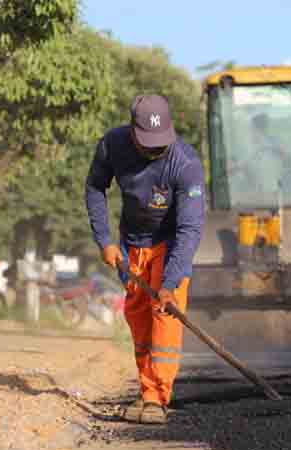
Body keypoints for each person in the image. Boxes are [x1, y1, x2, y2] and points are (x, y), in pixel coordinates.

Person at [85, 95, 206, 424]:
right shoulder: (112, 145)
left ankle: (156, 397)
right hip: (131, 244)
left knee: (164, 317)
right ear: (133, 132)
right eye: (148, 144)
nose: (155, 150)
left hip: (170, 245)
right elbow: (95, 187)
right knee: (138, 315)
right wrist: (104, 240)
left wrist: (170, 281)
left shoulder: (185, 164)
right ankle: (146, 388)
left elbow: (190, 228)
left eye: (160, 144)